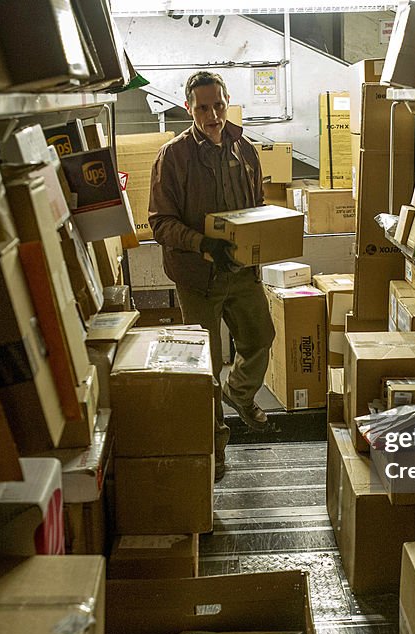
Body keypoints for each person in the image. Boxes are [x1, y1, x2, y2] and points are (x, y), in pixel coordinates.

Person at [149, 71, 276, 481]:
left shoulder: (246, 150)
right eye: (202, 107)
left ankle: (237, 394)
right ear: (189, 108)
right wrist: (204, 245)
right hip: (197, 278)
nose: (212, 114)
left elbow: (258, 206)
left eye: (218, 105)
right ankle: (214, 448)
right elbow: (160, 223)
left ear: (227, 102)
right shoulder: (174, 156)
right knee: (205, 366)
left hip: (241, 273)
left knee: (261, 337)